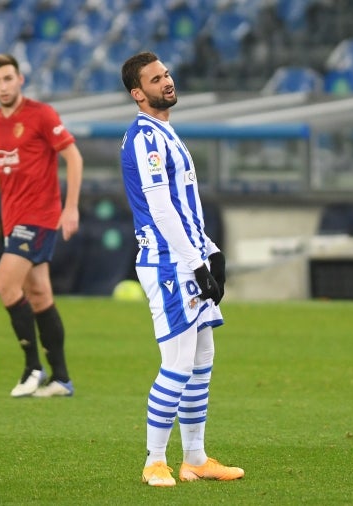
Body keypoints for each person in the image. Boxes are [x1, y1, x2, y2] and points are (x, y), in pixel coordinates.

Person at [119, 51, 244, 487]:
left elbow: (184, 210)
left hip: (188, 258)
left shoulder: (167, 133)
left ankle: (195, 457)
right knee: (177, 362)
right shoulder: (145, 138)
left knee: (203, 358)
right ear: (138, 94)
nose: (167, 81)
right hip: (167, 263)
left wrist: (211, 252)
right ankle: (155, 460)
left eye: (167, 74)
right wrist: (195, 263)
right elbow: (159, 209)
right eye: (156, 79)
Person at [0, 53, 82, 398]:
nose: (2, 86)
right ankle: (61, 379)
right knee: (39, 294)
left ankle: (32, 368)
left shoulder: (41, 114)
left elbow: (73, 156)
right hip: (13, 220)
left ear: (20, 79)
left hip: (39, 217)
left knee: (4, 284)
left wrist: (70, 208)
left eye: (8, 79)